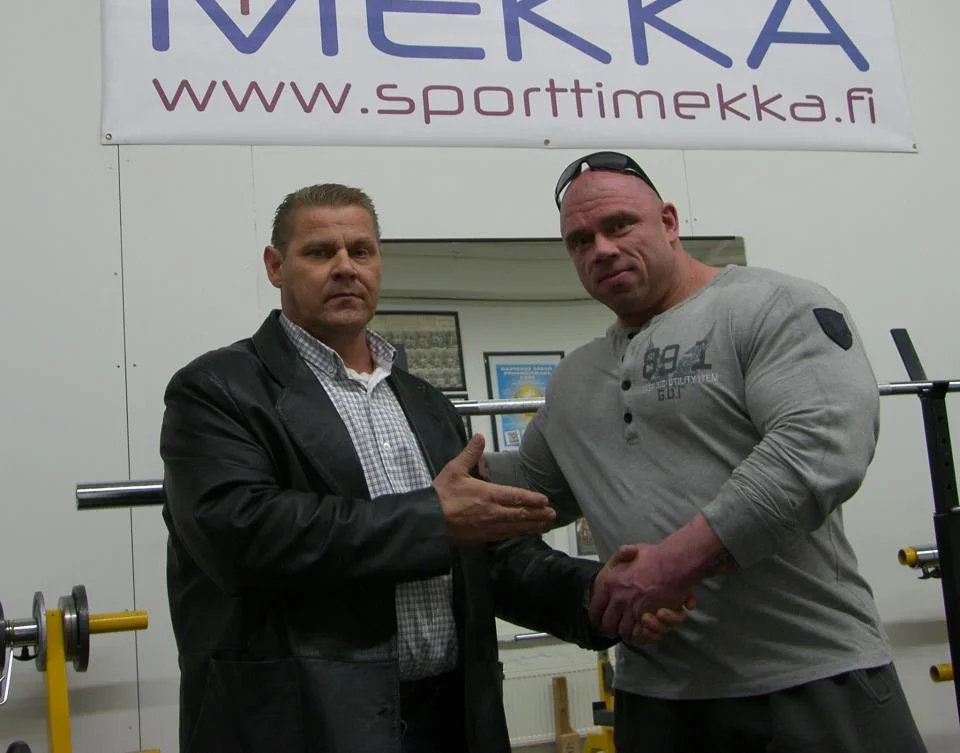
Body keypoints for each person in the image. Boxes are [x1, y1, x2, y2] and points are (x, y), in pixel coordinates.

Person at [160, 182, 660, 753]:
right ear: (276, 266)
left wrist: (594, 594)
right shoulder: (218, 390)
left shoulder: (426, 403)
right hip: (307, 725)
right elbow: (240, 532)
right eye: (320, 252)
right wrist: (431, 520)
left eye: (361, 251)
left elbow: (491, 555)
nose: (345, 267)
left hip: (449, 719)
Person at [485, 151, 927, 753]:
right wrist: (410, 451)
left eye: (620, 225)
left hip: (811, 681)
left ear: (669, 221)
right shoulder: (575, 379)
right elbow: (524, 492)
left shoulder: (770, 305)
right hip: (656, 699)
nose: (602, 250)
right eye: (580, 240)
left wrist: (669, 568)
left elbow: (817, 451)